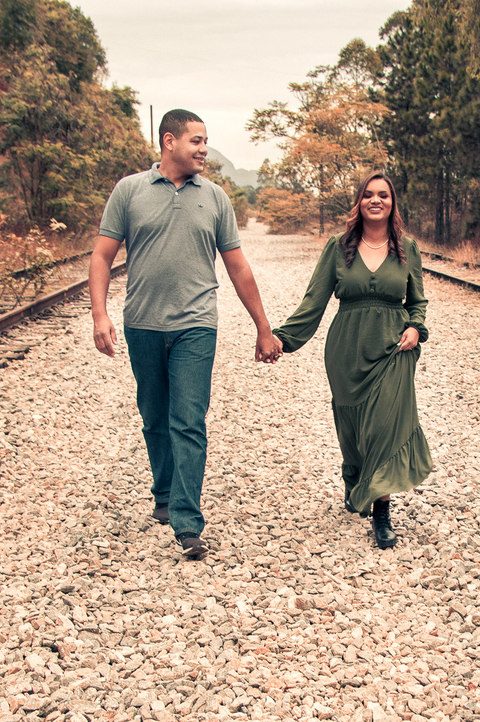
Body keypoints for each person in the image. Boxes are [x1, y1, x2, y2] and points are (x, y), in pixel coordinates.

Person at [89, 109, 281, 560]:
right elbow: (102, 257)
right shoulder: (129, 191)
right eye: (196, 140)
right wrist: (100, 315)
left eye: (206, 141)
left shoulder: (214, 198)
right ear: (169, 141)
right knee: (154, 416)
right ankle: (164, 492)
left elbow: (237, 266)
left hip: (197, 326)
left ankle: (188, 522)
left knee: (189, 420)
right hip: (142, 324)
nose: (204, 149)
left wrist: (263, 326)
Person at [272, 170, 432, 549]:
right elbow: (314, 301)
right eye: (368, 195)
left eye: (383, 195)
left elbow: (418, 301)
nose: (376, 200)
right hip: (347, 350)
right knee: (353, 426)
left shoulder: (407, 248)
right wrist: (281, 338)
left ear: (392, 203)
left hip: (393, 349)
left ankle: (382, 512)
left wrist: (416, 327)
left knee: (383, 428)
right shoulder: (338, 246)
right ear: (359, 202)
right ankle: (354, 475)